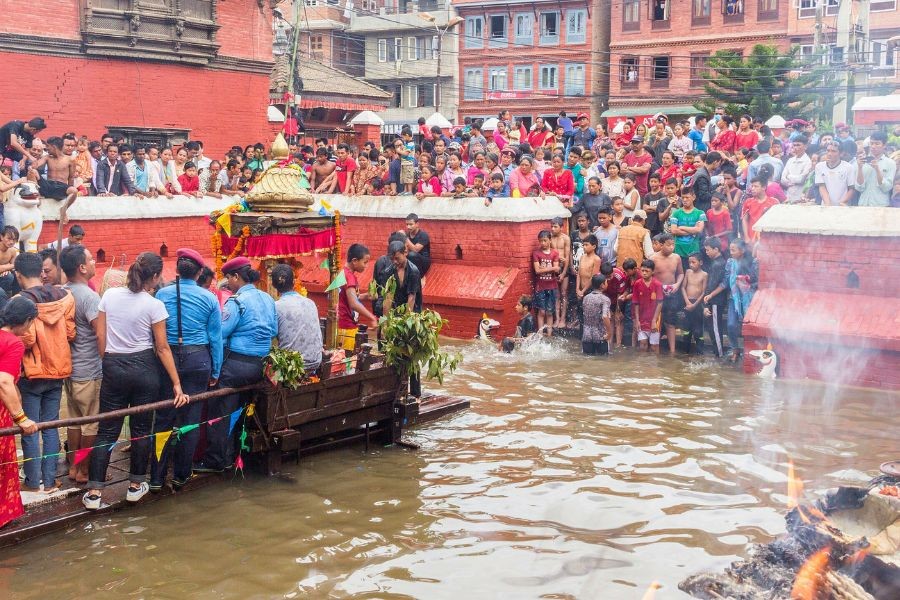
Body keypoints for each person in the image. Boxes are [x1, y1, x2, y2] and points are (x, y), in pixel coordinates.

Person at [83, 253, 188, 509]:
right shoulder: (154, 305)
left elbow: (100, 335)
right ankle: (135, 485)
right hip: (144, 369)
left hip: (113, 364)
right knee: (141, 430)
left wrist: (108, 360)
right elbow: (162, 348)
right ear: (153, 277)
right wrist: (176, 383)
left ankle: (95, 492)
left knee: (107, 430)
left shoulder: (109, 296)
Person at [149, 249, 223, 491]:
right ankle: (181, 475)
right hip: (198, 359)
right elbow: (216, 338)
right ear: (200, 272)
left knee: (163, 418)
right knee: (190, 421)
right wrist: (216, 370)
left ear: (177, 271)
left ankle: (157, 478)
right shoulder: (210, 298)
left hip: (167, 359)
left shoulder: (161, 294)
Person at [196, 257, 276, 475]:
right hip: (260, 365)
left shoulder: (236, 301)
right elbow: (274, 331)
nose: (228, 283)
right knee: (239, 409)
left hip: (236, 366)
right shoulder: (268, 298)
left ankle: (215, 460)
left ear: (236, 277)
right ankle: (232, 454)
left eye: (229, 278)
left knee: (219, 410)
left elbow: (220, 333)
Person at [14, 252, 75, 493]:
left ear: (18, 275)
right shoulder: (65, 297)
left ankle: (32, 481)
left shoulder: (20, 300)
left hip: (33, 372)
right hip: (58, 368)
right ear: (41, 271)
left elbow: (26, 339)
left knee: (29, 427)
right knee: (50, 426)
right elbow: (71, 333)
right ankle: (50, 481)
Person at [59, 245, 102, 484]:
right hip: (88, 370)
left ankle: (73, 467)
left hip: (69, 369)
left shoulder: (61, 292)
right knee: (90, 424)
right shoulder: (89, 297)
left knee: (75, 420)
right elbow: (100, 334)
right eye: (90, 259)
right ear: (82, 268)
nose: (94, 262)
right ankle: (83, 469)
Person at [0, 296, 39, 526]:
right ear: (25, 321)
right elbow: (4, 382)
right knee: (3, 465)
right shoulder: (13, 342)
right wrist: (21, 418)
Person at [387, 240, 424, 396]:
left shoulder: (413, 271)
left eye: (398, 258)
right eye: (392, 259)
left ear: (405, 253)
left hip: (411, 317)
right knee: (395, 356)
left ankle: (415, 394)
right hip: (395, 316)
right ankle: (397, 391)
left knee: (412, 357)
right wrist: (386, 321)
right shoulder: (389, 270)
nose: (395, 262)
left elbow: (412, 298)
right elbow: (388, 296)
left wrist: (406, 322)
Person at [272, 264, 322, 372]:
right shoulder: (310, 303)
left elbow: (270, 337)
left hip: (291, 368)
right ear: (294, 282)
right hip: (315, 361)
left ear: (273, 286)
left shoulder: (276, 307)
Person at [337, 243, 377, 352]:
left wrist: (365, 296)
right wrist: (372, 317)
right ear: (354, 261)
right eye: (365, 262)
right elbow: (353, 303)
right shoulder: (349, 277)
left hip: (342, 324)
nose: (366, 266)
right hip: (346, 325)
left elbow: (349, 296)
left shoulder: (344, 273)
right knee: (347, 361)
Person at [723, 239, 757, 362]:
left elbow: (756, 281)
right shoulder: (730, 262)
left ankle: (750, 351)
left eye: (733, 250)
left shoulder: (752, 262)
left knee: (749, 325)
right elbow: (726, 279)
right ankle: (735, 348)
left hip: (749, 298)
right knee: (731, 324)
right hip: (734, 297)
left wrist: (746, 282)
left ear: (742, 251)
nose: (730, 252)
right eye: (730, 249)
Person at [650, 233, 684, 355]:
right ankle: (655, 351)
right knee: (656, 322)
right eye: (669, 245)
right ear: (662, 245)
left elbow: (680, 273)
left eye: (673, 244)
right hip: (657, 294)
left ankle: (672, 351)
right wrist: (657, 287)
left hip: (672, 293)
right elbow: (647, 276)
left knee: (671, 322)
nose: (672, 247)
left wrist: (677, 285)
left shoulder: (676, 258)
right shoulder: (653, 258)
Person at [701, 237, 728, 357]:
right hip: (713, 300)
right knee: (712, 327)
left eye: (708, 250)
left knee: (715, 329)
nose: (706, 252)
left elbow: (712, 285)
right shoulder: (718, 262)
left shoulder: (718, 264)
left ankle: (719, 355)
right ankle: (718, 352)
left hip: (716, 300)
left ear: (716, 249)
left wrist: (706, 301)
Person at [854, 131, 895, 207]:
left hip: (881, 205)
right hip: (863, 204)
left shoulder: (890, 163)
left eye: (877, 143)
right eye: (871, 143)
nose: (873, 146)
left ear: (884, 145)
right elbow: (859, 187)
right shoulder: (861, 161)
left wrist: (877, 169)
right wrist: (859, 168)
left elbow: (886, 188)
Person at [669, 186, 707, 264]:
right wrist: (693, 230)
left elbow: (699, 230)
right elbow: (673, 231)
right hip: (678, 250)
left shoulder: (700, 213)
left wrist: (681, 227)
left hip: (694, 251)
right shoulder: (676, 213)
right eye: (683, 198)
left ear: (693, 197)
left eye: (687, 197)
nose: (685, 200)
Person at [632, 259, 663, 353]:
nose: (644, 273)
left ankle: (654, 367)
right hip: (641, 319)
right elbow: (635, 303)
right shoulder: (637, 284)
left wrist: (654, 320)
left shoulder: (657, 284)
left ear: (652, 271)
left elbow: (660, 303)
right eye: (642, 271)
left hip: (655, 319)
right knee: (643, 344)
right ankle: (642, 366)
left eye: (647, 271)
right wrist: (637, 320)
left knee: (654, 346)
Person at [532, 230, 559, 336]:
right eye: (540, 241)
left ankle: (549, 334)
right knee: (541, 311)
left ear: (550, 240)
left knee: (549, 311)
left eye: (545, 241)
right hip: (541, 286)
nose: (542, 243)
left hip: (552, 286)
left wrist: (546, 268)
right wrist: (552, 268)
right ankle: (539, 335)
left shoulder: (554, 253)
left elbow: (557, 270)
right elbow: (537, 271)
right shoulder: (536, 253)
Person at [681, 253, 708, 354]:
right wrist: (687, 302)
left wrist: (694, 305)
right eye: (689, 262)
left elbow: (704, 292)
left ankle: (700, 353)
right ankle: (685, 353)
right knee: (687, 329)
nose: (691, 264)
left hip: (698, 304)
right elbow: (683, 287)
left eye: (693, 262)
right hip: (688, 303)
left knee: (698, 329)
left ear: (700, 262)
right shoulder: (688, 272)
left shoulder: (704, 274)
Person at [581, 274, 612, 356]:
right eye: (606, 282)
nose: (607, 284)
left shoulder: (586, 298)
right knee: (602, 362)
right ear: (602, 285)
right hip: (600, 336)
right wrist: (609, 333)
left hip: (586, 335)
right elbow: (605, 316)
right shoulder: (605, 299)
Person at [741, 177, 779, 242]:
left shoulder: (774, 202)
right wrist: (746, 237)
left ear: (764, 187)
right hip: (751, 238)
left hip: (767, 238)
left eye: (756, 186)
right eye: (752, 186)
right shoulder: (748, 202)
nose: (752, 189)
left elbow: (777, 221)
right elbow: (744, 220)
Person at [549, 218, 571, 328]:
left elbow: (567, 257)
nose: (553, 229)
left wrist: (563, 273)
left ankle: (563, 319)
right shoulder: (549, 238)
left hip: (563, 269)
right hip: (554, 268)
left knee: (564, 294)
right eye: (552, 226)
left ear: (561, 227)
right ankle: (556, 319)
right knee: (556, 295)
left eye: (555, 226)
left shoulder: (566, 238)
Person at [781, 135, 813, 203]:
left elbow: (801, 179)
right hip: (789, 194)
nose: (795, 147)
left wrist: (789, 176)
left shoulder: (808, 161)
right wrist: (789, 179)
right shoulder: (790, 160)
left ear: (805, 146)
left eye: (798, 145)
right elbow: (782, 179)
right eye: (794, 145)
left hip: (800, 195)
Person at [574, 234, 601, 304]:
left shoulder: (596, 259)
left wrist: (583, 291)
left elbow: (593, 278)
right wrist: (577, 289)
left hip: (590, 290)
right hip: (580, 289)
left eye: (586, 245)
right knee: (579, 311)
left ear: (594, 246)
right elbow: (579, 274)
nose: (584, 247)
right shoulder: (582, 257)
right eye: (583, 245)